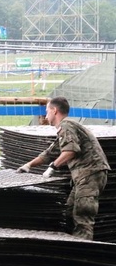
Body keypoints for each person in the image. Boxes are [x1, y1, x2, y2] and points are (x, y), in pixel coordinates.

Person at [16, 96, 110, 240]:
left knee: (82, 216)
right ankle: (71, 244)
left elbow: (71, 150)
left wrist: (52, 167)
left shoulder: (67, 126)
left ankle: (83, 252)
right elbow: (49, 153)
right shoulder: (66, 128)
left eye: (47, 111)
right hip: (84, 176)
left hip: (90, 174)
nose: (45, 115)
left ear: (55, 110)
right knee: (68, 210)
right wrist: (28, 165)